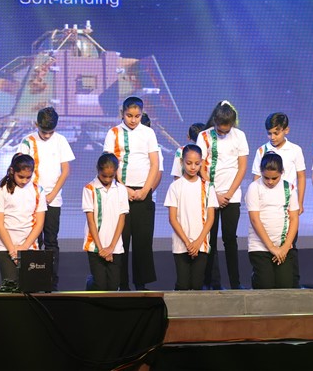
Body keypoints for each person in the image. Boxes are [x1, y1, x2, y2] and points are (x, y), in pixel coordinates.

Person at [103, 96, 161, 290]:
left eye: (137, 116)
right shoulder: (113, 133)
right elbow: (109, 165)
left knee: (142, 240)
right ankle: (122, 284)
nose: (133, 120)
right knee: (121, 239)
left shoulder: (148, 133)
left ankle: (141, 283)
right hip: (120, 191)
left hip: (144, 192)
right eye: (129, 115)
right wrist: (124, 189)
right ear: (122, 113)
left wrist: (146, 189)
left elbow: (154, 164)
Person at [16, 107, 75, 290]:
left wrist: (51, 195)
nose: (47, 135)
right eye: (44, 131)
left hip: (52, 200)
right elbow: (19, 166)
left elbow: (65, 171)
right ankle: (31, 280)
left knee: (51, 241)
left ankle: (51, 282)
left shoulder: (61, 140)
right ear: (36, 124)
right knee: (33, 240)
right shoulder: (28, 141)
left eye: (51, 132)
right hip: (31, 200)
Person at [199, 100, 249, 290]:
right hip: (210, 195)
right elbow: (200, 166)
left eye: (226, 130)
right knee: (210, 239)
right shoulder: (204, 136)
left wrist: (228, 194)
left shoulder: (239, 136)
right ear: (215, 121)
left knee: (230, 239)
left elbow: (242, 167)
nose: (222, 133)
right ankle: (211, 282)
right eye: (220, 130)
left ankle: (235, 283)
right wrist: (214, 194)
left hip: (232, 196)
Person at [255, 112, 307, 285]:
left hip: (288, 205)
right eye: (269, 133)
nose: (272, 137)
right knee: (267, 241)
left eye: (276, 133)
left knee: (290, 244)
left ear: (286, 130)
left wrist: (300, 202)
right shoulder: (262, 150)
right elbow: (257, 178)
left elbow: (301, 176)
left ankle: (293, 282)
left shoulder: (295, 150)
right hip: (267, 205)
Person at [164, 144, 217, 291]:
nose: (193, 167)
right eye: (189, 163)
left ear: (201, 163)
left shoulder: (208, 187)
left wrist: (198, 242)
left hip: (201, 244)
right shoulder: (175, 186)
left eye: (196, 163)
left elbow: (210, 218)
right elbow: (172, 218)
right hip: (181, 245)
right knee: (183, 284)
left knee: (197, 284)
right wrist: (188, 243)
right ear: (182, 162)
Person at [246, 152, 300, 289]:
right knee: (265, 285)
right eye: (266, 178)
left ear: (282, 172)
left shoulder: (289, 188)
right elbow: (254, 219)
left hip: (283, 247)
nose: (270, 182)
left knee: (285, 285)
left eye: (274, 178)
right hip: (260, 246)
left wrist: (285, 247)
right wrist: (271, 247)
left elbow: (294, 218)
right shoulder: (254, 187)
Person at [0, 153, 47, 284]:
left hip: (29, 247)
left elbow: (39, 223)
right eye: (21, 177)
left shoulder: (38, 190)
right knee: (11, 286)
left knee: (31, 286)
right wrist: (12, 251)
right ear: (12, 171)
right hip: (5, 247)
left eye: (28, 177)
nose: (24, 181)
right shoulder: (2, 190)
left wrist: (25, 246)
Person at [82, 152, 129, 291]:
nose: (107, 179)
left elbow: (121, 219)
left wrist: (111, 248)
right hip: (95, 246)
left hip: (115, 247)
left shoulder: (121, 189)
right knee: (100, 285)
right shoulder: (89, 189)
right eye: (104, 176)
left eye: (111, 176)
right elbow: (91, 221)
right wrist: (101, 249)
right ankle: (90, 284)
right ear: (98, 170)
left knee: (113, 286)